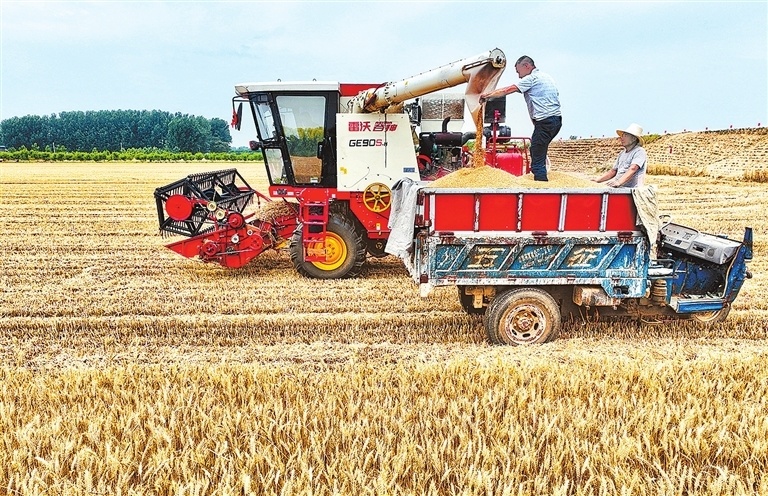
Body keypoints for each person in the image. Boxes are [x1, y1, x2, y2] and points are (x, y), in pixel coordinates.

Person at [480, 55, 562, 181]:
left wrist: (487, 95)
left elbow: (509, 89)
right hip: (556, 120)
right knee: (538, 148)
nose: (519, 76)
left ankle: (541, 185)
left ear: (527, 66)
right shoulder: (546, 77)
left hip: (545, 121)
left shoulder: (531, 78)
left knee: (536, 152)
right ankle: (541, 177)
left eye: (519, 71)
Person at [595, 123, 647, 187]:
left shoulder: (639, 151)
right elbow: (613, 171)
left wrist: (619, 182)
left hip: (632, 190)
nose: (622, 138)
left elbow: (633, 169)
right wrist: (598, 180)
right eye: (622, 135)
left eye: (625, 135)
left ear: (634, 138)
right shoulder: (622, 153)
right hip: (620, 188)